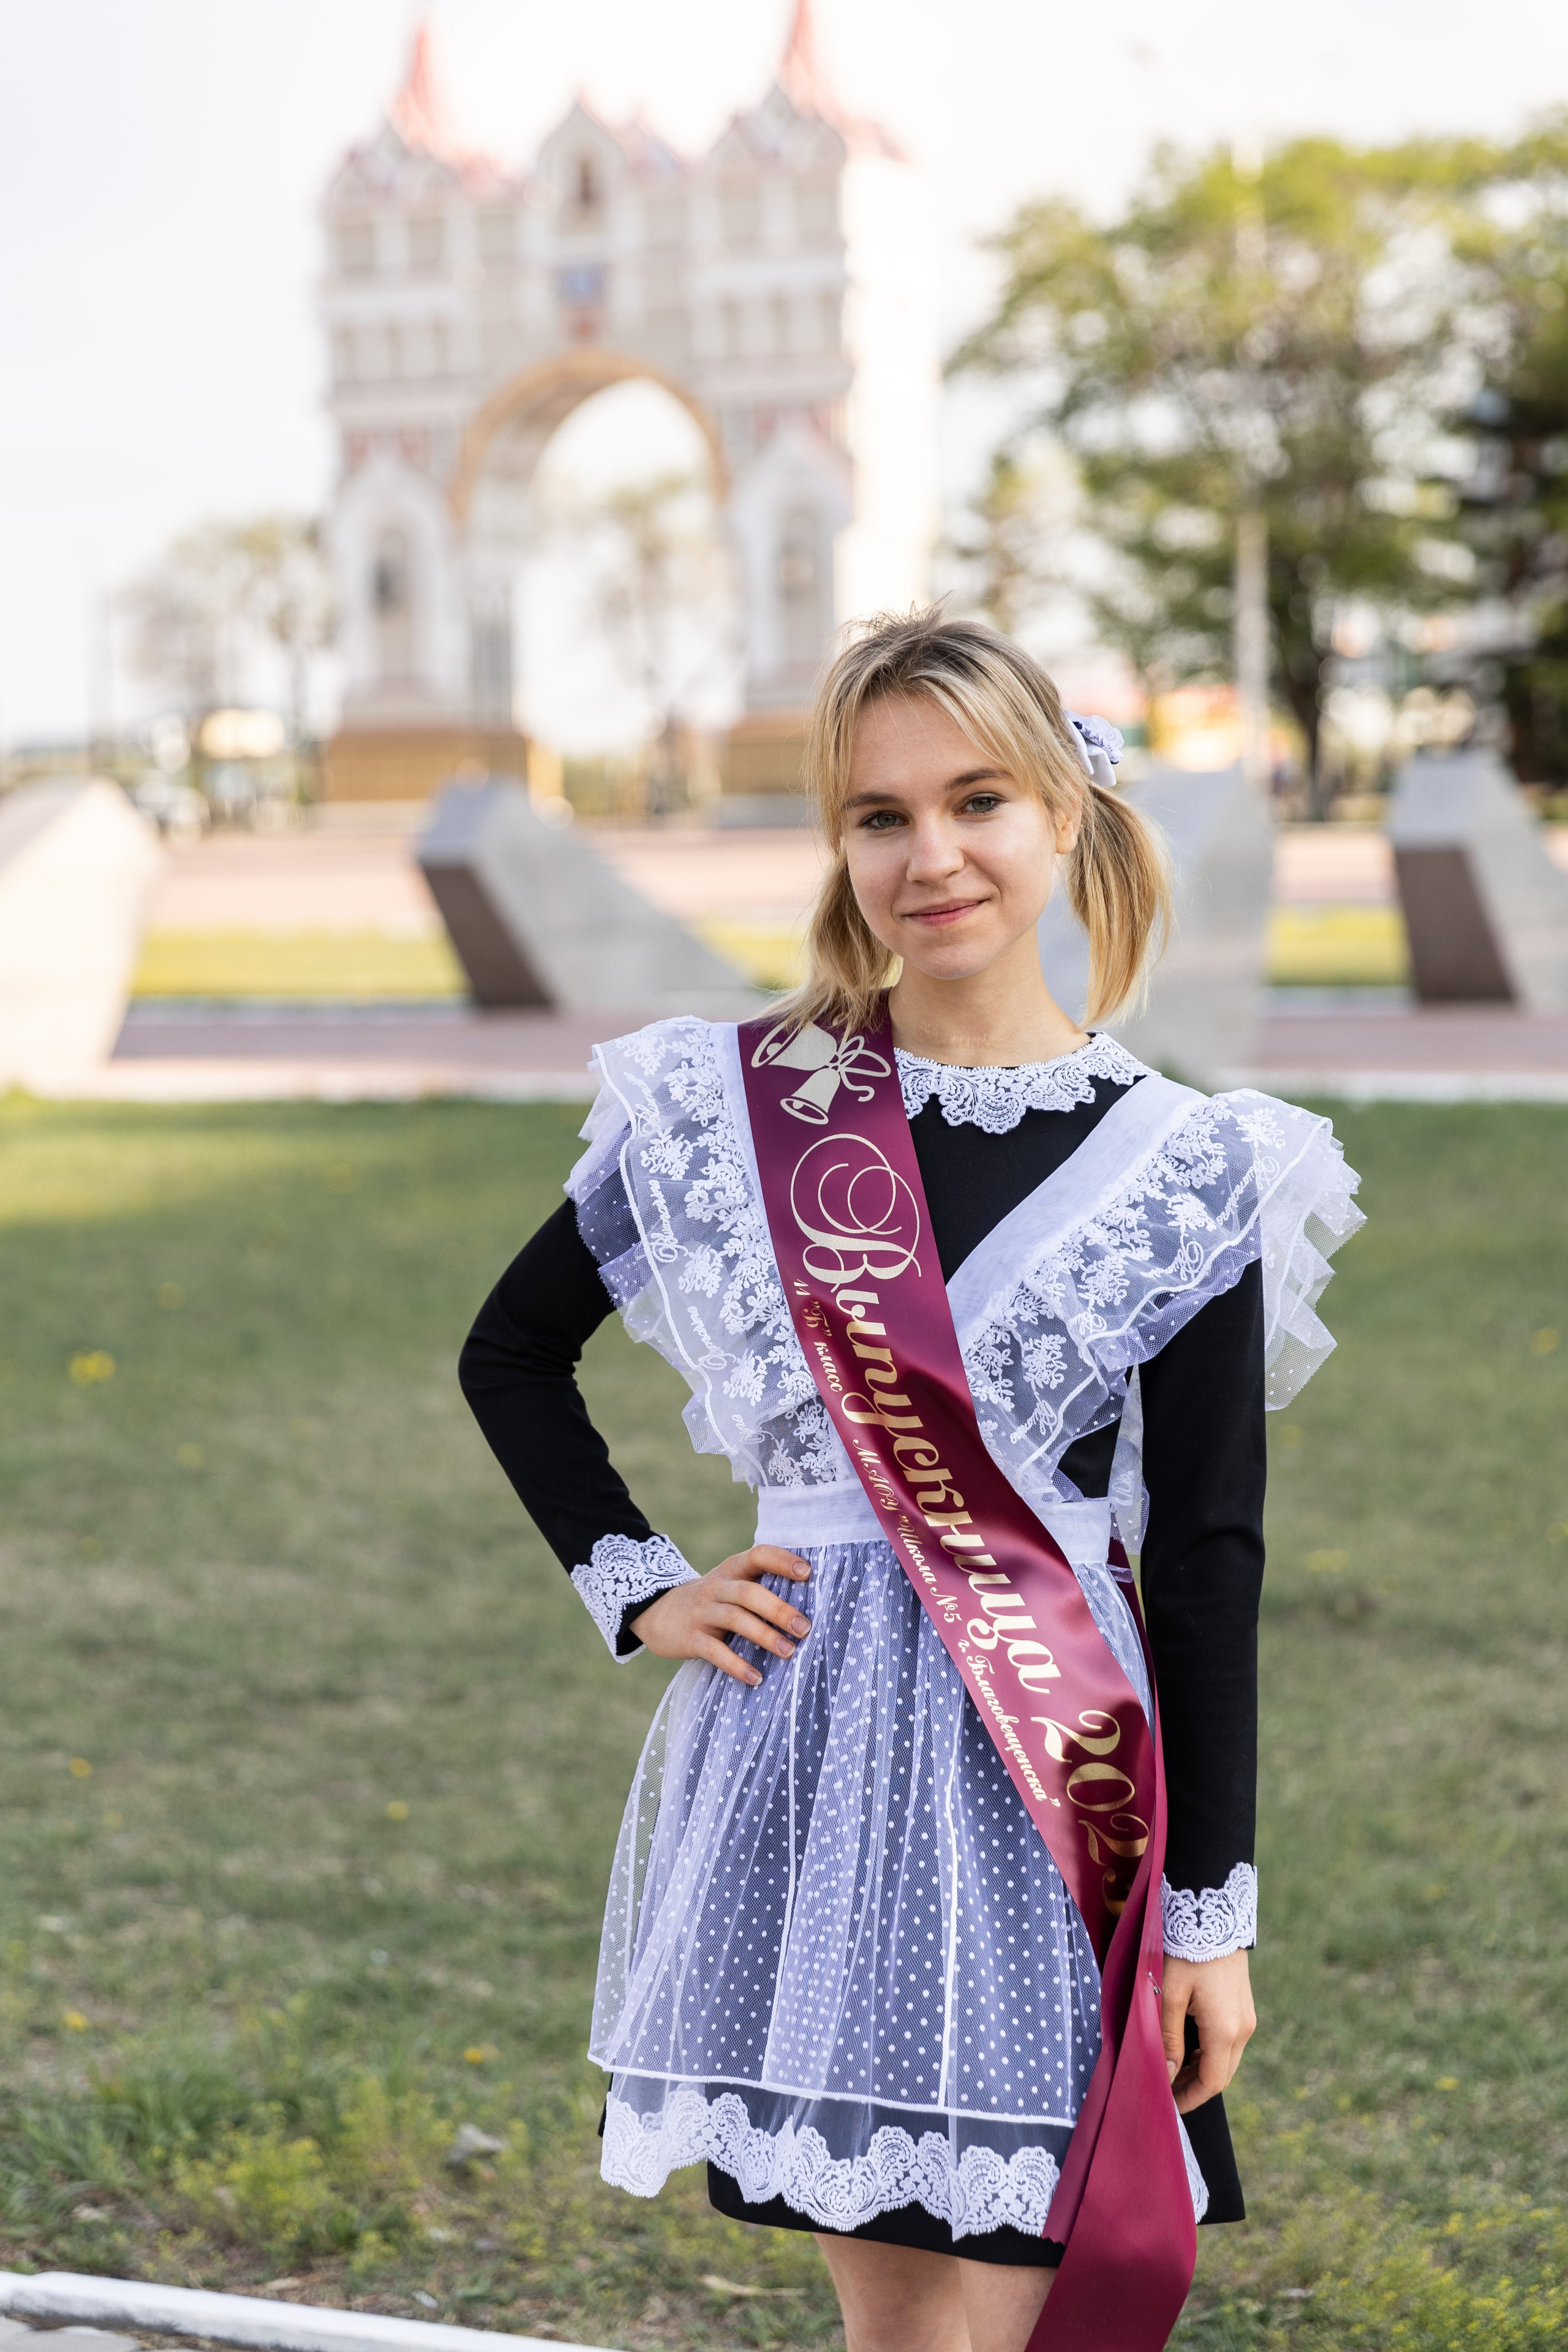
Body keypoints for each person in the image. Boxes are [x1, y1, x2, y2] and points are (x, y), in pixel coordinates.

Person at [460, 611, 1363, 2352]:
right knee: (894, 2324)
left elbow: (1209, 1562)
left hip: (1058, 1783)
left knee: (1054, 2287)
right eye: (879, 817)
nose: (929, 855)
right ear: (838, 842)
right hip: (819, 1767)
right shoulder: (741, 1112)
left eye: (979, 801)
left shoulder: (1190, 1167)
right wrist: (637, 1582)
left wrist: (1209, 1918)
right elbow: (510, 1356)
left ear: (1067, 816)